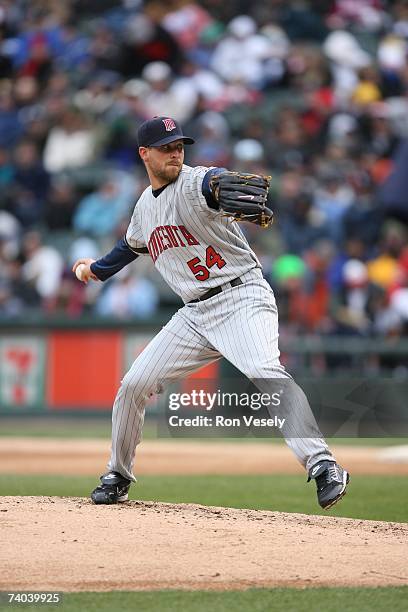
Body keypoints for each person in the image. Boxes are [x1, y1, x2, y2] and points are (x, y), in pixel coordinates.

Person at [72, 116, 350, 509]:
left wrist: (217, 184)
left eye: (179, 145)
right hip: (194, 314)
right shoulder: (143, 209)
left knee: (265, 372)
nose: (175, 152)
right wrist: (94, 270)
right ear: (144, 154)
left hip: (242, 297)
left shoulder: (196, 182)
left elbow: (211, 182)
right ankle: (118, 473)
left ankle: (323, 465)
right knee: (133, 385)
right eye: (166, 147)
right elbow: (129, 246)